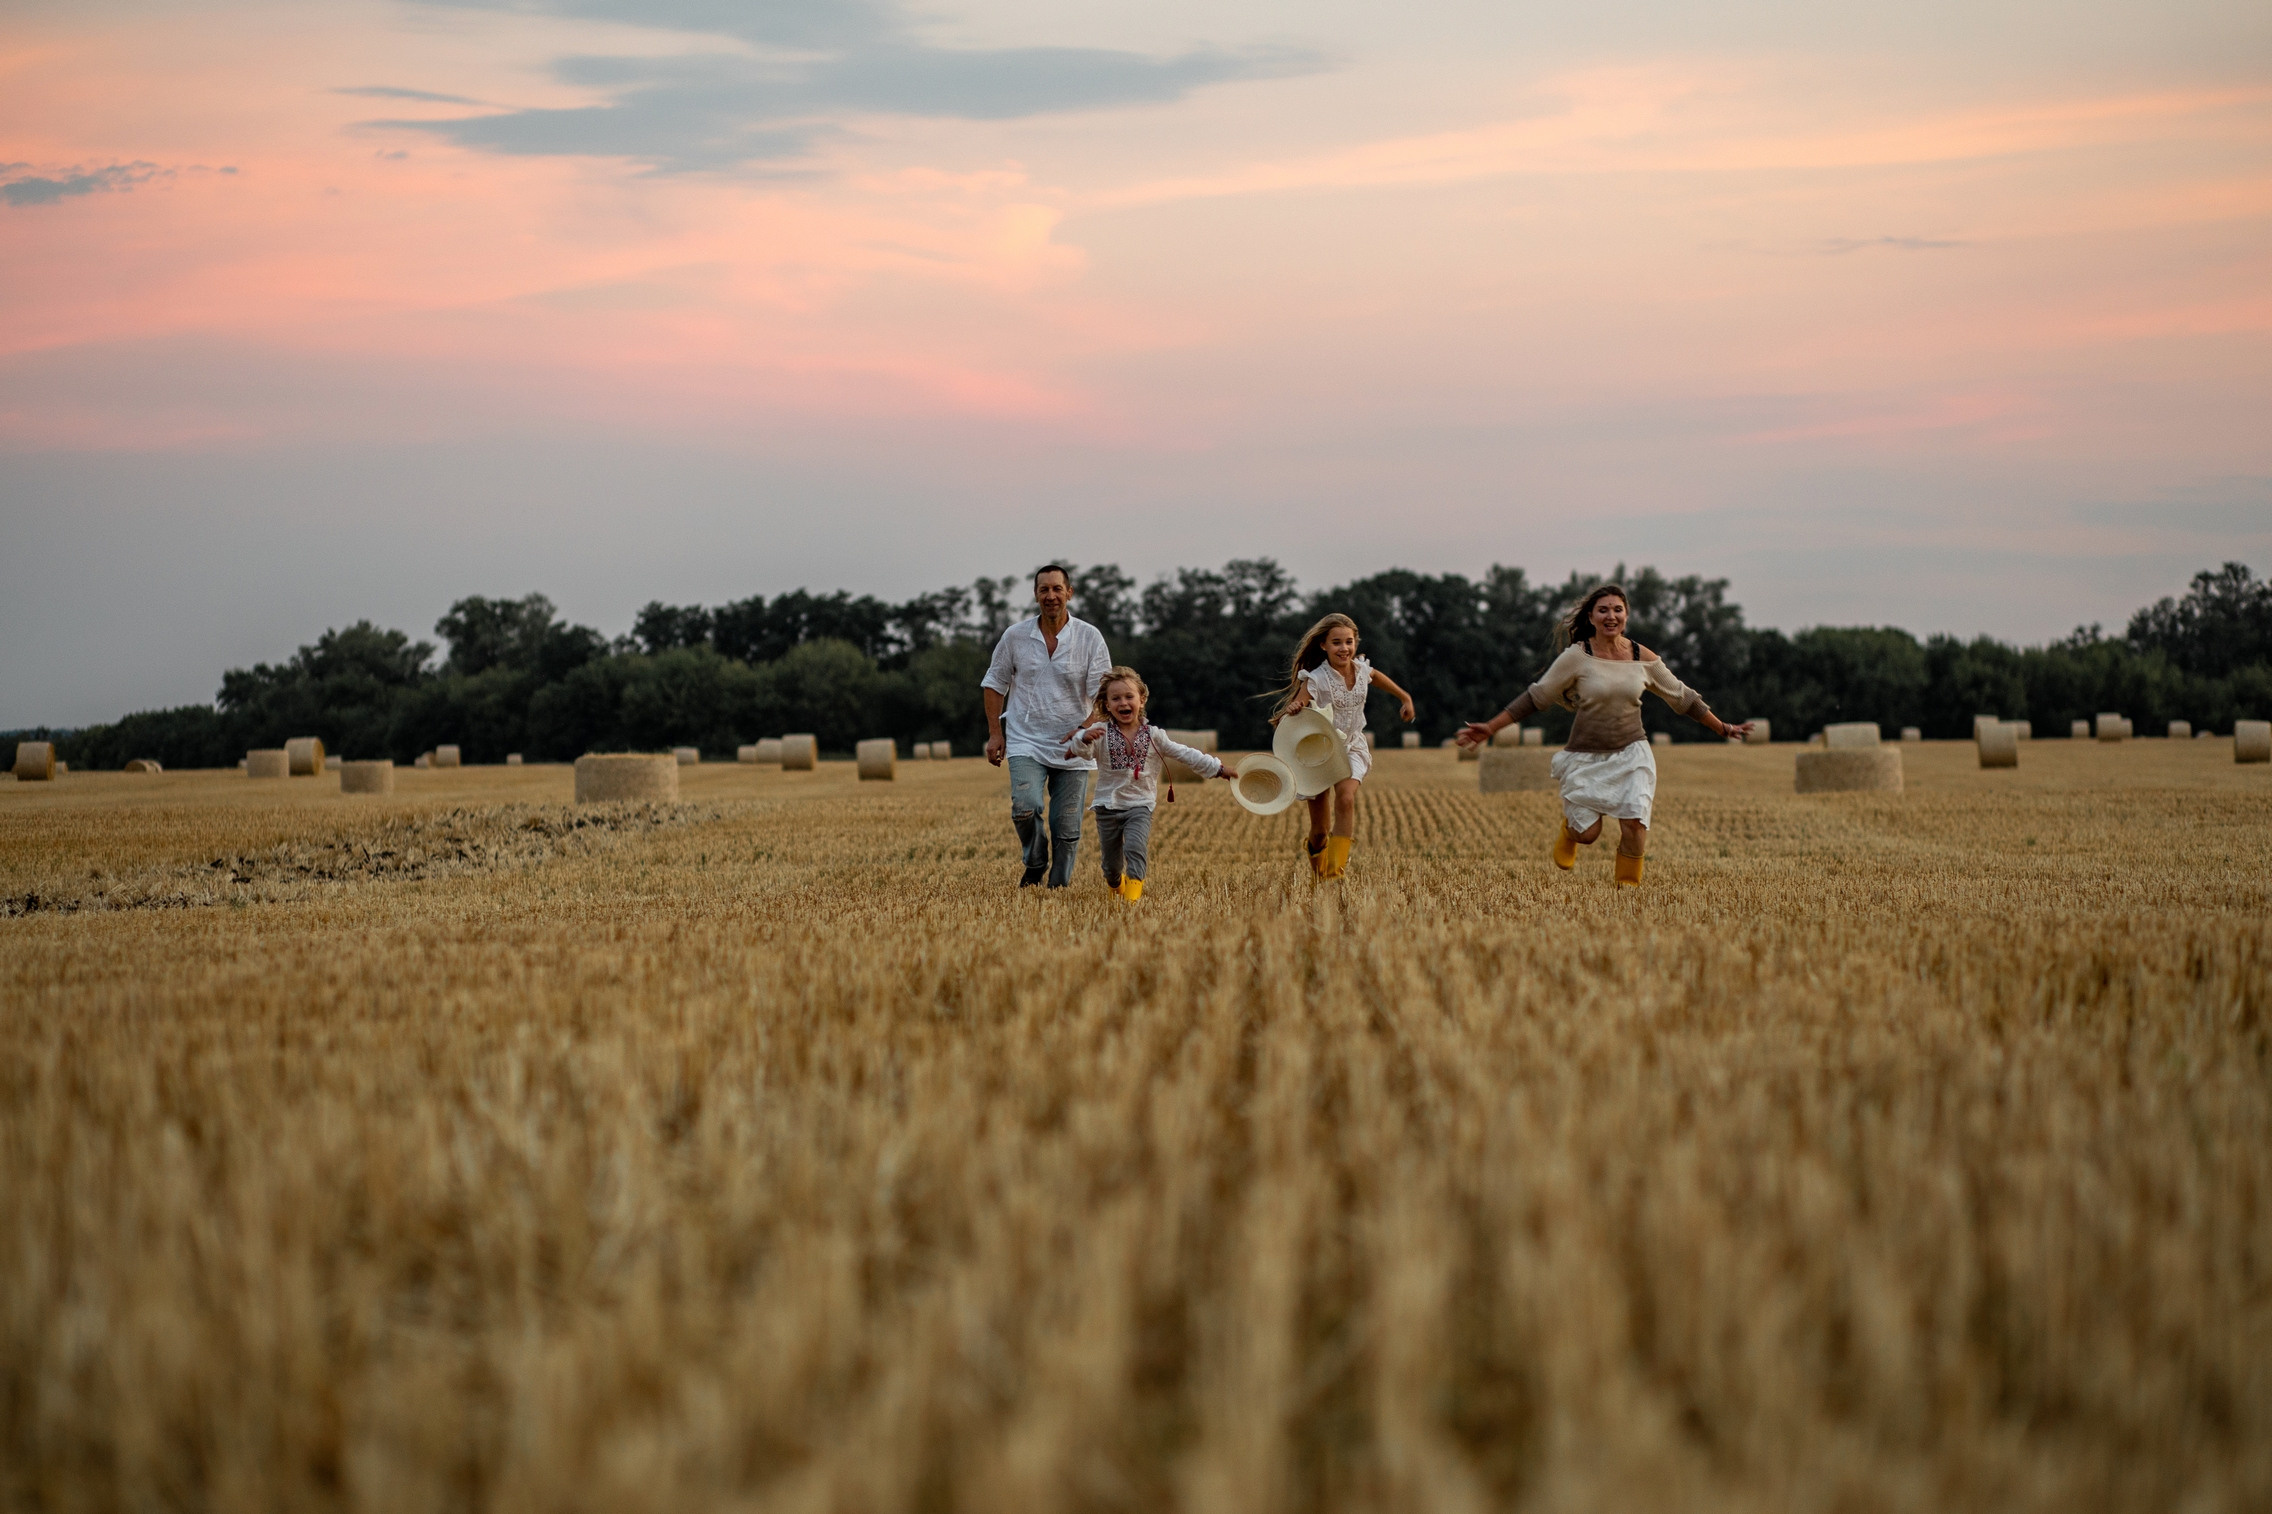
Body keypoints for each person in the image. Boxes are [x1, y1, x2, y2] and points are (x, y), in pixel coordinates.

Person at [1456, 583, 1751, 886]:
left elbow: (1682, 697)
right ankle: (1570, 832)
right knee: (1588, 835)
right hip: (1587, 755)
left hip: (1632, 752)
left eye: (1617, 609)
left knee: (1636, 824)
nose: (1611, 616)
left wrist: (1723, 727)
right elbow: (1537, 696)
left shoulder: (1641, 656)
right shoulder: (1577, 656)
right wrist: (1491, 728)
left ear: (1627, 615)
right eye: (1603, 610)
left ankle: (1628, 890)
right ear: (1592, 617)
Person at [982, 564, 1115, 888]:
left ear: (1069, 593)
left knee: (1066, 827)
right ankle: (1036, 860)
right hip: (1026, 739)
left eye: (1057, 589)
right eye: (1044, 590)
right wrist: (996, 734)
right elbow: (994, 684)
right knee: (1024, 808)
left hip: (1076, 745)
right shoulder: (1015, 636)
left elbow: (1105, 692)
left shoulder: (1089, 637)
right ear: (1036, 595)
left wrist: (1085, 728)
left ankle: (1058, 887)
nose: (1051, 596)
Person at [1062, 666, 1238, 899]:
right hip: (1107, 807)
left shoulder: (1155, 735)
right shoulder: (1099, 731)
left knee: (1135, 847)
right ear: (1107, 705)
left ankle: (1132, 897)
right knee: (1111, 867)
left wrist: (1218, 769)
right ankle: (1116, 887)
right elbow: (1080, 751)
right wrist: (1082, 738)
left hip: (1139, 805)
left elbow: (1184, 753)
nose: (1123, 702)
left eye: (1129, 696)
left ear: (1141, 700)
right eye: (1115, 698)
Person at [1271, 612, 1416, 879]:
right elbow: (1302, 701)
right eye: (1336, 642)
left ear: (1356, 644)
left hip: (1351, 746)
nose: (1344, 648)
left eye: (1349, 642)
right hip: (1320, 753)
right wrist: (1294, 706)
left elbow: (1378, 678)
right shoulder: (1317, 677)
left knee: (1346, 798)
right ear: (1323, 645)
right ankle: (1318, 874)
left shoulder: (1362, 670)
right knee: (1319, 830)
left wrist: (1405, 698)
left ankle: (1335, 872)